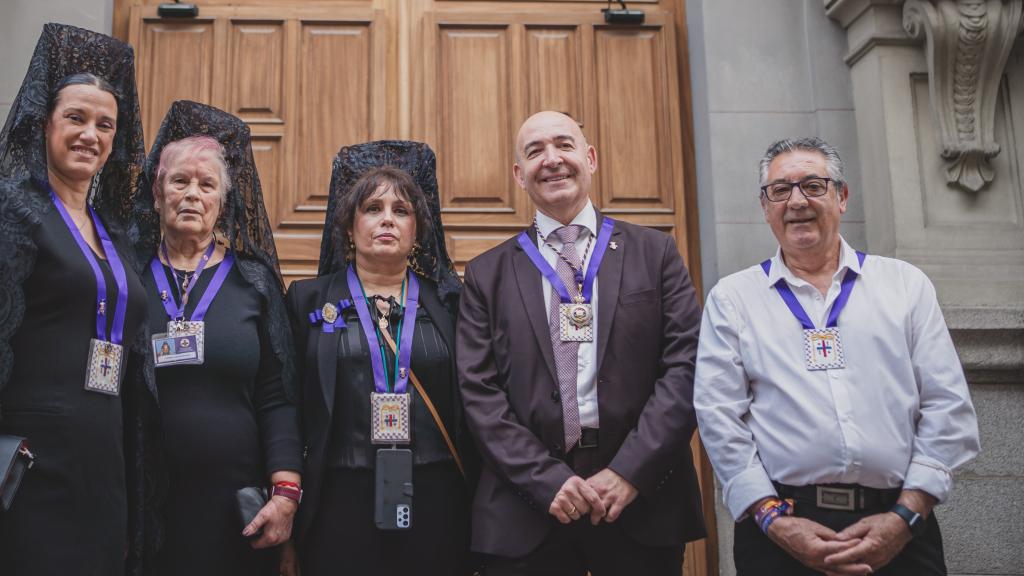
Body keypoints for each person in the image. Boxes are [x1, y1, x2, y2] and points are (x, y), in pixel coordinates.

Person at [694, 137, 980, 575]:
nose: (796, 201)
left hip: (899, 523)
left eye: (813, 185)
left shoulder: (904, 285)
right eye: (780, 190)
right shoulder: (734, 298)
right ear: (765, 206)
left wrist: (905, 517)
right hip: (780, 529)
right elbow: (718, 417)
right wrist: (773, 519)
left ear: (842, 196)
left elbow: (947, 405)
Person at [456, 110, 705, 575]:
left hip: (640, 502)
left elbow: (686, 368)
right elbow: (478, 392)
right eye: (534, 152)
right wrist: (546, 480)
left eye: (563, 145)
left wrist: (630, 470)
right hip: (524, 507)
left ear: (590, 158)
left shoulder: (656, 254)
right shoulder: (485, 274)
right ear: (518, 175)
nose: (551, 160)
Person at [0, 23, 159, 576]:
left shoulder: (114, 231)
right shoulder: (12, 213)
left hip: (102, 459)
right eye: (76, 118)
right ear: (44, 122)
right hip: (30, 460)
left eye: (105, 124)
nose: (91, 134)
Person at [128, 100, 303, 576]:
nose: (192, 194)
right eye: (179, 181)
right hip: (139, 499)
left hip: (237, 505)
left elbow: (277, 394)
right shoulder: (124, 275)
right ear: (157, 194)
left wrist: (286, 492)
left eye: (207, 185)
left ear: (223, 204)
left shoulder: (255, 282)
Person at [286, 141, 475, 575]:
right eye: (373, 208)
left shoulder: (452, 304)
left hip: (437, 497)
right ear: (349, 228)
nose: (387, 218)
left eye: (402, 210)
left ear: (418, 231)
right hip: (339, 498)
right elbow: (289, 404)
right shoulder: (305, 299)